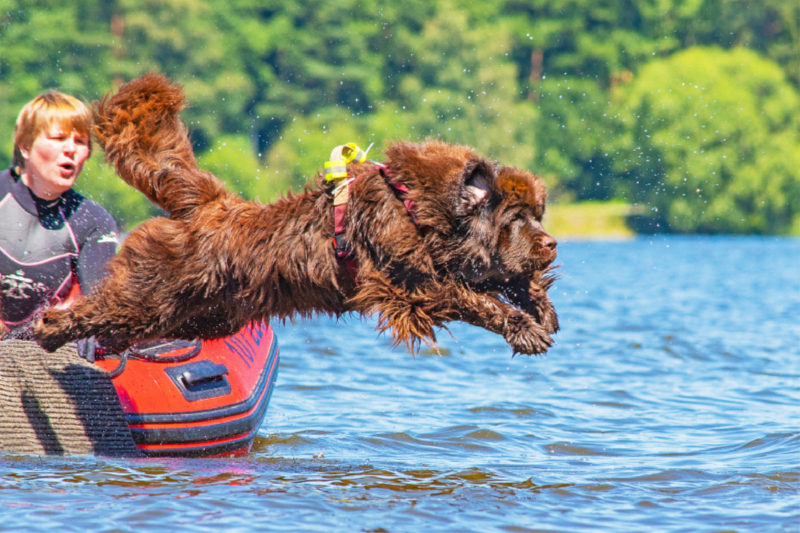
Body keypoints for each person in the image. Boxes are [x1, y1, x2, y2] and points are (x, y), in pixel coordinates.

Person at [0, 90, 119, 345]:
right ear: (26, 146)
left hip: (38, 354)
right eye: (59, 137)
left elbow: (103, 310)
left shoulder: (95, 221)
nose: (70, 149)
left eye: (80, 141)